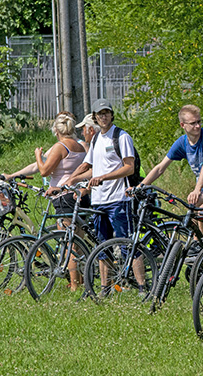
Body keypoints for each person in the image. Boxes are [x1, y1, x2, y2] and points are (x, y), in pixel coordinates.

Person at [67, 98, 146, 294]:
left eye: (106, 113)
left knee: (128, 244)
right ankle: (105, 288)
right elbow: (90, 168)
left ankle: (143, 288)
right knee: (102, 246)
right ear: (95, 117)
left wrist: (104, 177)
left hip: (119, 199)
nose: (103, 117)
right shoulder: (96, 139)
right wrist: (72, 180)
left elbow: (129, 167)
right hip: (99, 200)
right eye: (99, 114)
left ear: (111, 115)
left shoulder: (121, 137)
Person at [4, 112, 88, 290]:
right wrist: (13, 175)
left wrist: (37, 154)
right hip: (78, 196)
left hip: (63, 197)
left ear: (56, 131)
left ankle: (75, 285)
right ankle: (79, 281)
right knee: (77, 243)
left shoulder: (60, 147)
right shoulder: (80, 147)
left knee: (68, 243)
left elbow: (43, 170)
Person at [139, 105, 203, 210]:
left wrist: (197, 189)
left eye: (199, 122)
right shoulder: (182, 143)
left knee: (196, 202)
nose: (197, 126)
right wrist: (140, 187)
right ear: (182, 125)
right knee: (193, 215)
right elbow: (160, 168)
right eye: (193, 123)